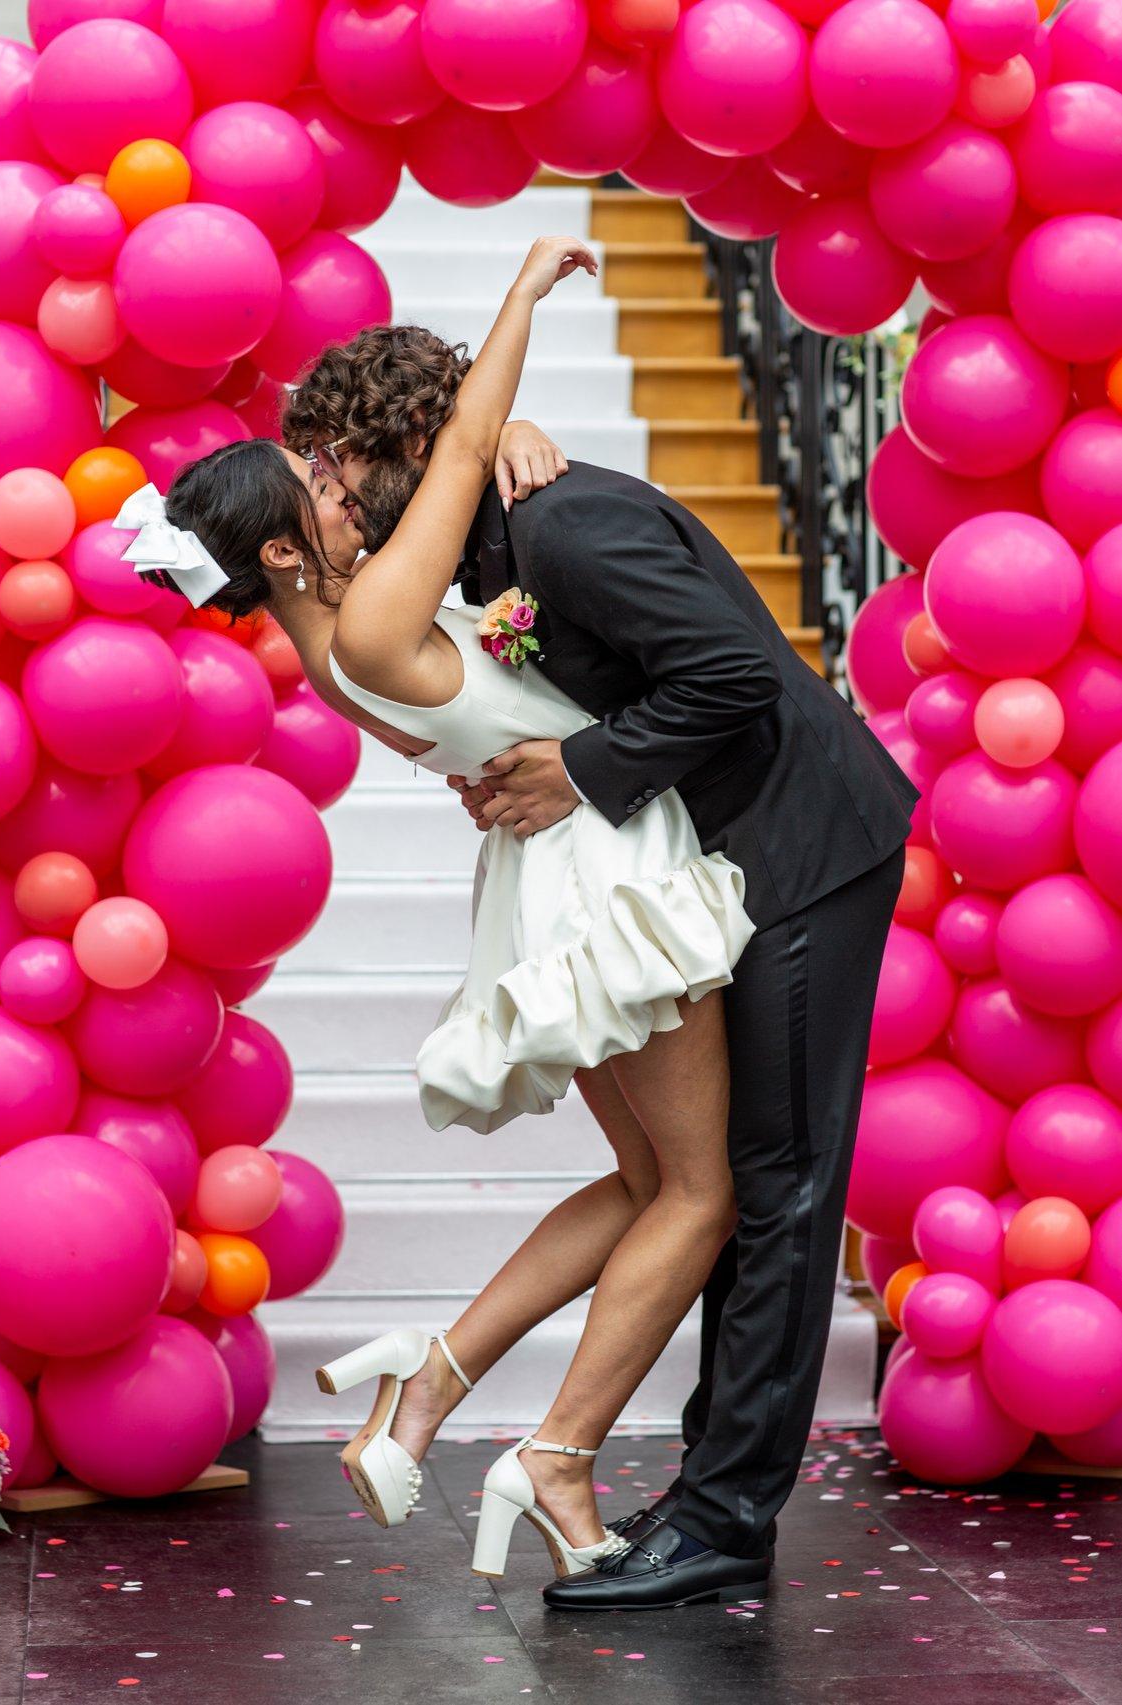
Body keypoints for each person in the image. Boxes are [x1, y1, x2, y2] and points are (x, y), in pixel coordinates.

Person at [117, 237, 768, 1599]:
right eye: (320, 489)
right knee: (703, 1192)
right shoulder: (365, 628)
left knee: (651, 1185)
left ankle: (431, 1374)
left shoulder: (328, 638)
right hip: (602, 874)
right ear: (287, 545)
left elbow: (473, 481)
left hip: (559, 881)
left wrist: (513, 424)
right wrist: (522, 299)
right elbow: (461, 449)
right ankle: (554, 1456)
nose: (347, 492)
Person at [278, 307, 920, 1611]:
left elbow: (734, 676)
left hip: (803, 847)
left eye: (340, 473)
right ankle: (701, 1488)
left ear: (408, 440)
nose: (338, 502)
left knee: (779, 1188)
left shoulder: (561, 526)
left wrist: (577, 768)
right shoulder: (501, 545)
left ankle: (726, 1517)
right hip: (720, 857)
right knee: (726, 1183)